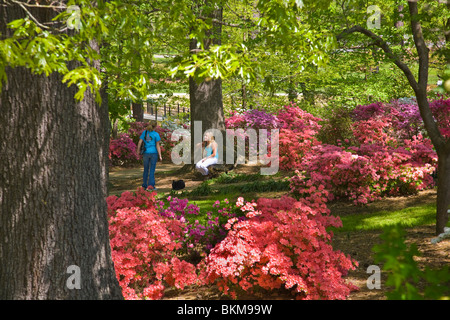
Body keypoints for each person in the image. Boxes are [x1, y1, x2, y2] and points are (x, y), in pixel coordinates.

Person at [136, 120, 162, 190]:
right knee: (152, 170)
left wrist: (138, 151)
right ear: (155, 126)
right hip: (154, 153)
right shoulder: (156, 134)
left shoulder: (145, 133)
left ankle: (144, 185)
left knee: (146, 169)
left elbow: (139, 142)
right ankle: (151, 186)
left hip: (145, 153)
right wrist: (160, 155)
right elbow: (157, 145)